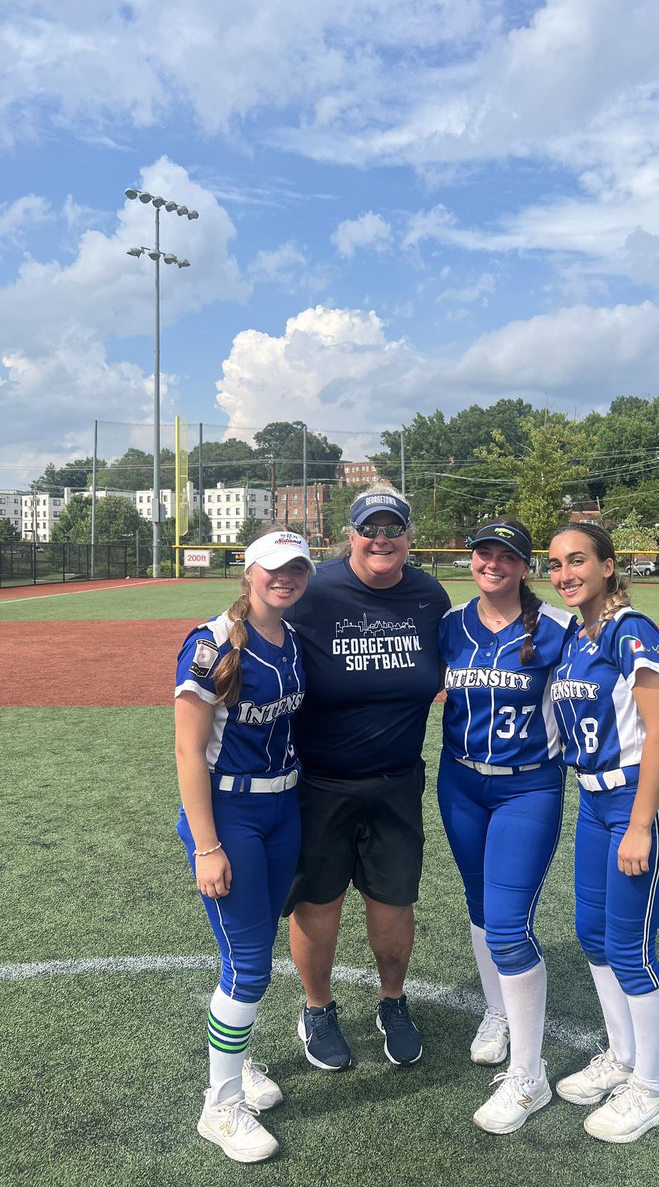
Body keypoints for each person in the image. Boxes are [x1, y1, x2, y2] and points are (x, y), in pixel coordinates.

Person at [281, 488, 450, 1070]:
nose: (381, 539)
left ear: (408, 536)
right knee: (318, 903)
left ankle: (392, 1001)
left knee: (393, 902)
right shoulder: (314, 590)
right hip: (319, 782)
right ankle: (317, 1007)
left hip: (397, 781)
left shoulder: (429, 595)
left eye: (393, 528)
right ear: (348, 534)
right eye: (368, 528)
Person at [174, 527, 315, 1163]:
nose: (283, 578)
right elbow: (187, 750)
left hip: (282, 807)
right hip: (229, 812)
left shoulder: (291, 641)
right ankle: (220, 1106)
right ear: (249, 570)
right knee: (250, 962)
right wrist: (207, 845)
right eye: (273, 568)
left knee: (250, 952)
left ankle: (239, 1065)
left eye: (296, 570)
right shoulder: (210, 644)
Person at [547, 522, 659, 1144]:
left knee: (630, 947)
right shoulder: (578, 634)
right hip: (594, 799)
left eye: (578, 560)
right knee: (592, 933)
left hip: (638, 803)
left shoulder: (633, 629)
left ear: (607, 566)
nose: (565, 572)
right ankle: (622, 1056)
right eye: (555, 564)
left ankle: (653, 1090)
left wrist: (639, 827)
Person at [437, 520, 577, 1134]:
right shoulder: (449, 625)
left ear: (525, 567)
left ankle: (528, 1076)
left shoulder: (558, 629)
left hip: (528, 785)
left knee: (510, 924)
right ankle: (496, 1012)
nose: (491, 564)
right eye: (483, 553)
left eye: (506, 557)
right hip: (461, 780)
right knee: (478, 904)